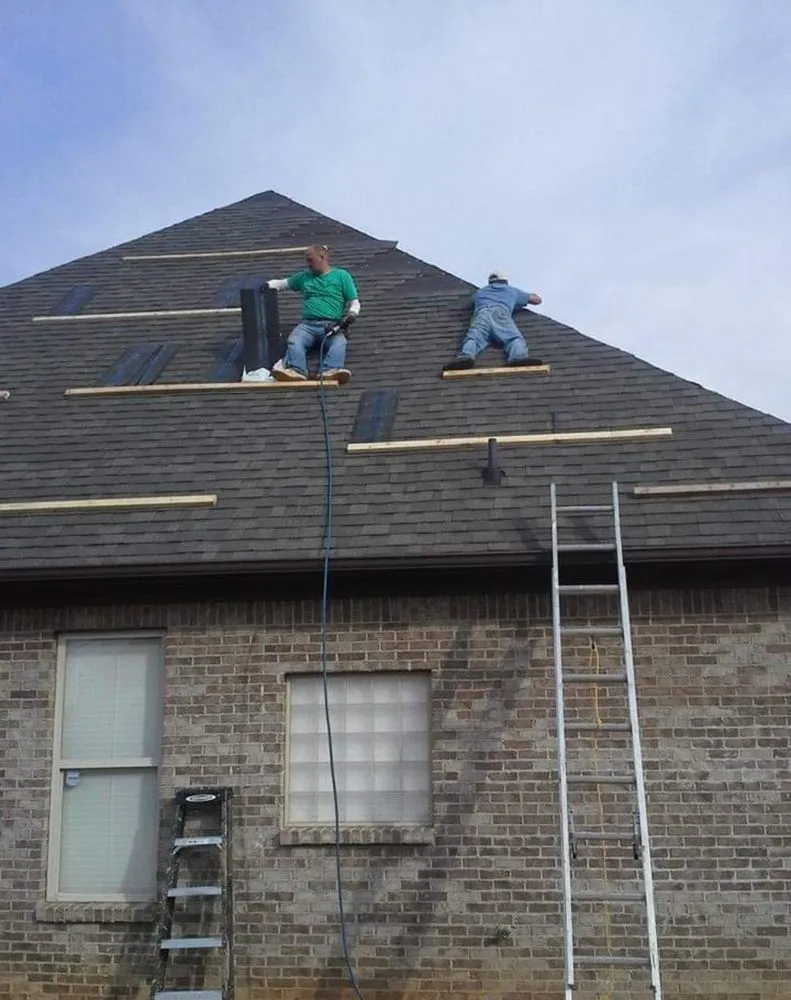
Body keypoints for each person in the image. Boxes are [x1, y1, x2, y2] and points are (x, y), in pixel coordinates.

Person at [266, 245, 360, 383]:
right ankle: (297, 370)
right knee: (295, 340)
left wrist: (351, 315)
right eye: (307, 261)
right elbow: (282, 284)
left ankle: (329, 370)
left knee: (339, 342)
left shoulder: (341, 276)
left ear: (322, 257)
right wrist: (265, 285)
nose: (308, 264)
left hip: (331, 326)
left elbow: (355, 302)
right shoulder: (304, 277)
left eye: (310, 260)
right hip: (308, 325)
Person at [443, 271, 544, 371]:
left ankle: (465, 357)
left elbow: (473, 302)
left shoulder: (480, 292)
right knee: (513, 338)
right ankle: (518, 358)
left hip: (482, 314)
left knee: (473, 338)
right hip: (500, 313)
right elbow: (537, 300)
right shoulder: (512, 291)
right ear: (505, 281)